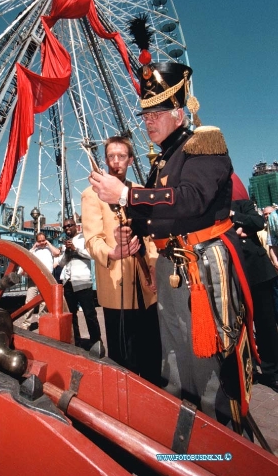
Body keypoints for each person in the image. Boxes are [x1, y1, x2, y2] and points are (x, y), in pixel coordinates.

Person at [88, 23, 257, 432]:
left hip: (201, 268)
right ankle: (187, 433)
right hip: (170, 269)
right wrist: (134, 226)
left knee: (209, 362)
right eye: (145, 113)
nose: (148, 121)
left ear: (180, 111)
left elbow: (192, 199)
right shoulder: (163, 160)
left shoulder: (205, 142)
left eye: (157, 112)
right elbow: (159, 213)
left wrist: (129, 196)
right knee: (176, 359)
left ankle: (223, 442)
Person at [81, 135, 161, 383]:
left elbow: (151, 237)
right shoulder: (91, 194)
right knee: (123, 359)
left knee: (152, 354)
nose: (116, 162)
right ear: (105, 160)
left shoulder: (138, 192)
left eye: (122, 156)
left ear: (130, 159)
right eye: (111, 156)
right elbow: (92, 238)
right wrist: (112, 253)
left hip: (146, 286)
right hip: (117, 287)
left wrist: (154, 267)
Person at [230, 185, 278, 393]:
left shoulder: (242, 204)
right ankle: (245, 371)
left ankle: (272, 372)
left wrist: (233, 215)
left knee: (266, 325)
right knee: (237, 326)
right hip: (230, 275)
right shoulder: (208, 209)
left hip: (257, 274)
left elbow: (257, 222)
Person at [58, 218, 101, 349]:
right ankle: (76, 341)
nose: (67, 228)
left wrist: (76, 249)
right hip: (68, 282)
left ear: (76, 226)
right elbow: (60, 263)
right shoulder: (65, 243)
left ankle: (96, 342)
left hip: (82, 281)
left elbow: (91, 255)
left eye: (69, 225)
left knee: (89, 313)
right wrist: (66, 252)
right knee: (71, 315)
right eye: (65, 227)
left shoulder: (84, 239)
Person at [20, 232, 60, 330]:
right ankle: (26, 324)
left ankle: (42, 322)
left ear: (46, 240)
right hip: (34, 278)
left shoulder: (49, 249)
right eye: (39, 241)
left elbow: (57, 253)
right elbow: (27, 256)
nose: (41, 243)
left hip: (46, 277)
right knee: (29, 301)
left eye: (43, 240)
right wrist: (34, 247)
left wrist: (49, 244)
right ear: (36, 241)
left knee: (44, 302)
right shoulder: (34, 250)